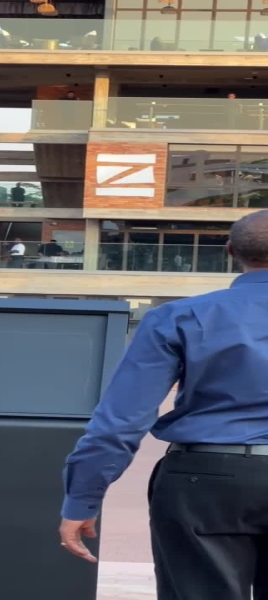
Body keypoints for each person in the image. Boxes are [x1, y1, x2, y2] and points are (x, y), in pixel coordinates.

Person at [59, 210, 268, 600]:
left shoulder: (178, 317)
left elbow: (121, 421)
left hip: (204, 479)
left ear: (229, 251)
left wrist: (82, 498)